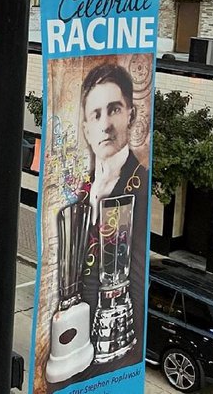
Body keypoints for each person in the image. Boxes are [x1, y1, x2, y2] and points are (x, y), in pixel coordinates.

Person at [78, 62, 148, 372]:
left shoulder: (140, 185)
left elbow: (138, 275)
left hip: (115, 350)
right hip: (77, 347)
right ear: (86, 127)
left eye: (114, 109)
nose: (105, 124)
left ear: (130, 114)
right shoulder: (80, 191)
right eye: (96, 114)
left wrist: (130, 360)